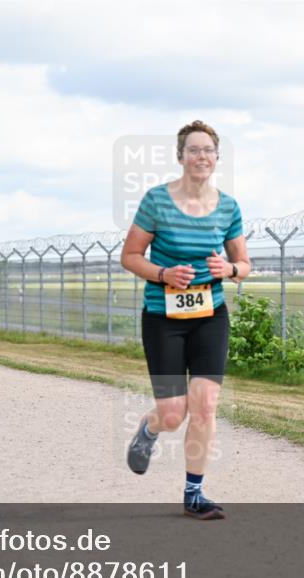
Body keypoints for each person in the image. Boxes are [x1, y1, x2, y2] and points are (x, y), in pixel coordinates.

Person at [119, 120, 250, 520]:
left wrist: (227, 270)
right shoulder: (157, 201)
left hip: (210, 315)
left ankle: (194, 494)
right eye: (193, 150)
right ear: (180, 157)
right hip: (164, 317)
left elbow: (244, 264)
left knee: (206, 405)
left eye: (208, 150)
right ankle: (150, 428)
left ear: (216, 158)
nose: (201, 156)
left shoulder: (228, 206)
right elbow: (130, 256)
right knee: (174, 413)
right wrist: (164, 274)